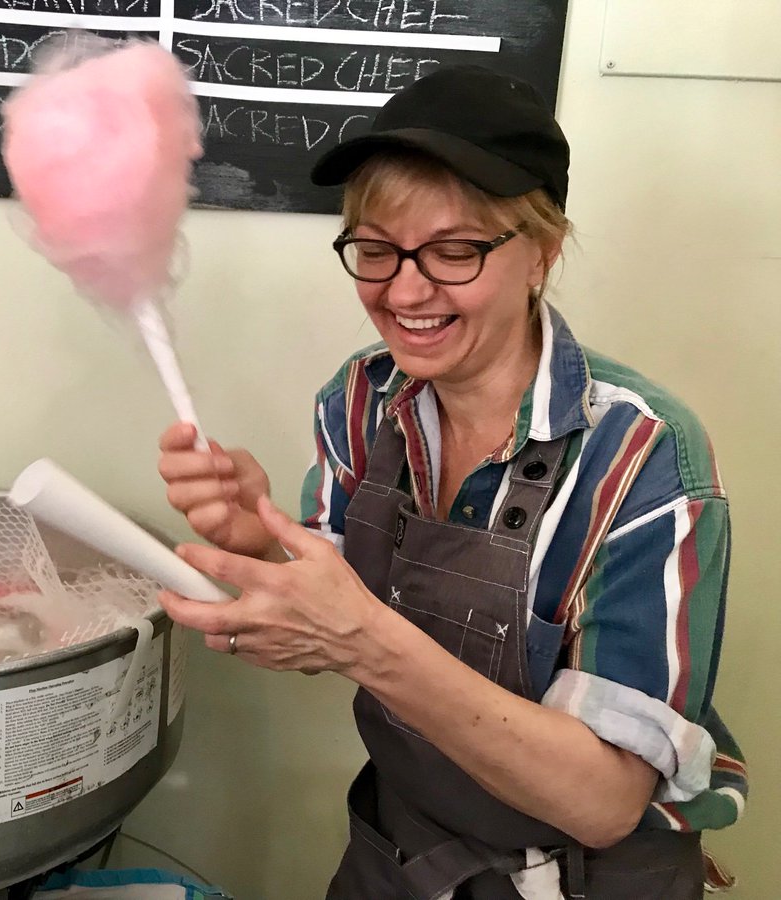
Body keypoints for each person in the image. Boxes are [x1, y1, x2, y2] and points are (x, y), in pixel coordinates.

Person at [155, 65, 747, 899]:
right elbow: (333, 614)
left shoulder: (645, 457)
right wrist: (258, 537)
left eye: (454, 251)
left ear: (540, 252)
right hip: (403, 854)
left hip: (586, 877)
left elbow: (605, 799)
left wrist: (362, 640)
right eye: (376, 250)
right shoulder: (362, 399)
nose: (403, 290)